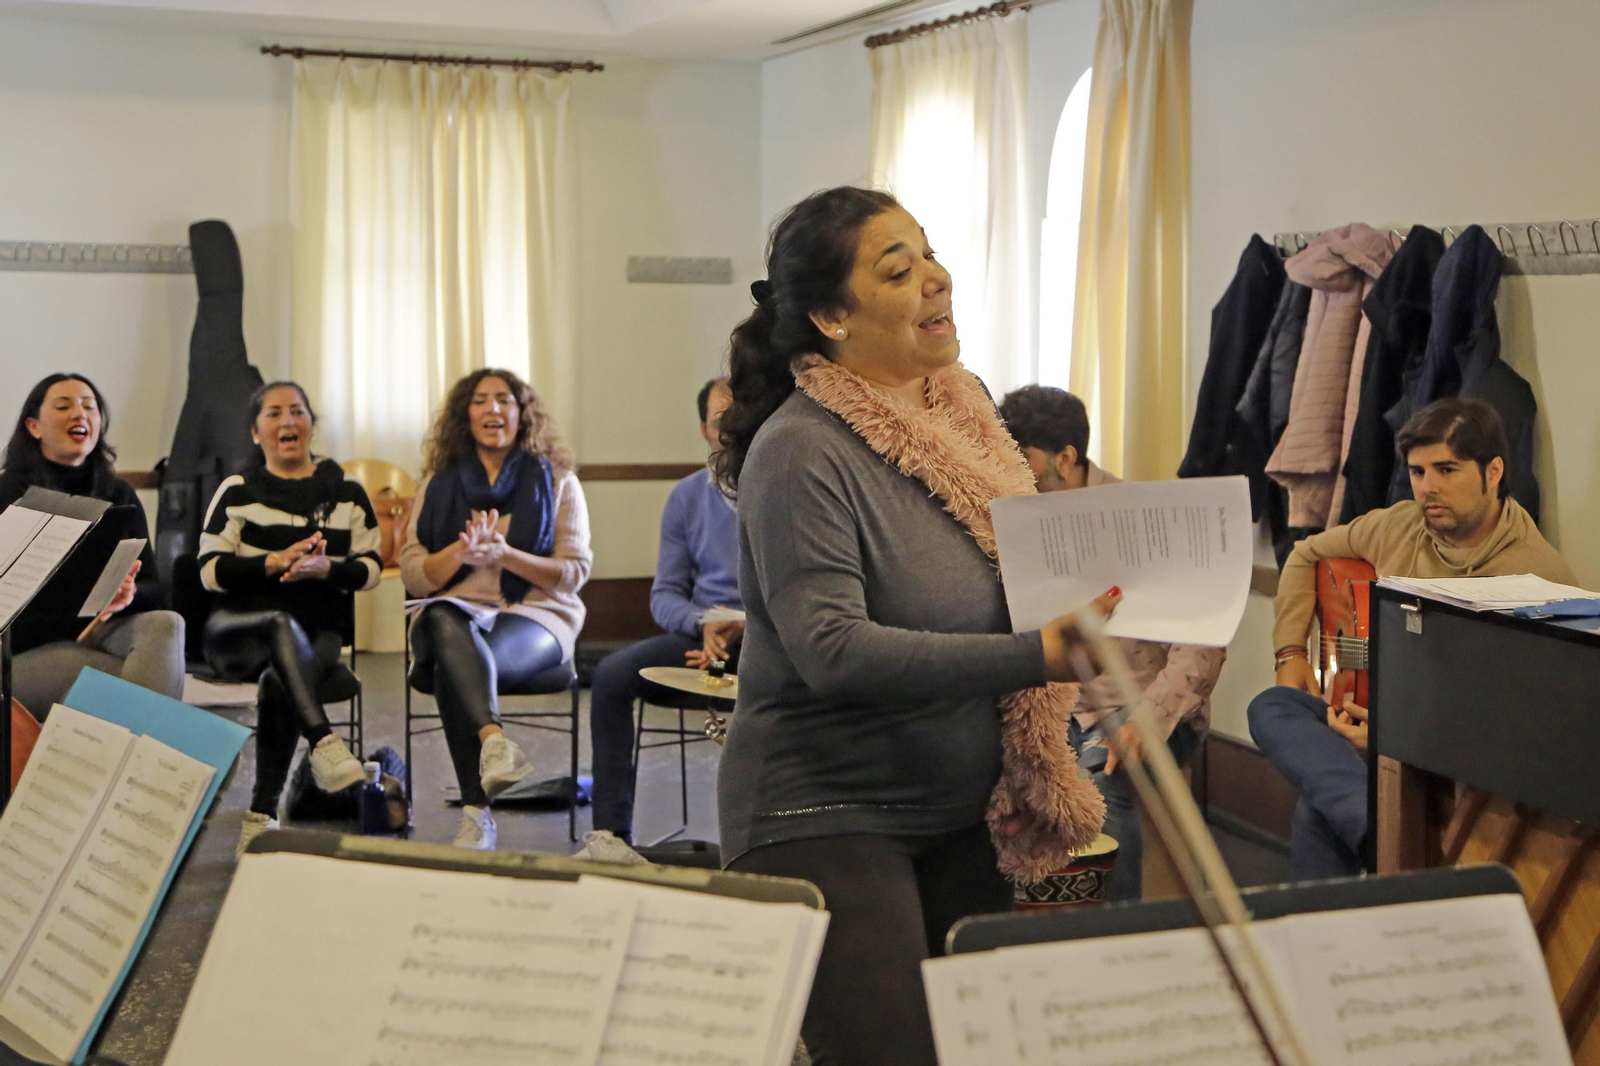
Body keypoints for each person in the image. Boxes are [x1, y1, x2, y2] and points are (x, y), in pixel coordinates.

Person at [715, 186, 1117, 1066]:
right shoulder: (801, 449)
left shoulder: (962, 417)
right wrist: (1038, 653)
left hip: (957, 807)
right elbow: (832, 649)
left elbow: (1001, 582)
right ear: (830, 315)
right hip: (823, 808)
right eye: (898, 270)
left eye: (930, 254)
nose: (935, 279)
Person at [1250, 397, 1575, 880]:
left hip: (1448, 751)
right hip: (1371, 719)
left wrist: (1392, 734)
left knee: (1318, 812)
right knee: (1273, 706)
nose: (1429, 488)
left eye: (1447, 470)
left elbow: (1520, 715)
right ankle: (1372, 826)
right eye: (1419, 472)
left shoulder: (1535, 576)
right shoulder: (1399, 524)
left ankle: (1368, 845)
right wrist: (1291, 653)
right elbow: (1304, 554)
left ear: (1494, 472)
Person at [999, 384, 1225, 901]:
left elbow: (1202, 644)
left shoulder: (1141, 518)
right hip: (1058, 705)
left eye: (1022, 458)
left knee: (1098, 787)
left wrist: (1151, 715)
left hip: (1144, 702)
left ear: (1065, 458)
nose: (1011, 470)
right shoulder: (1017, 518)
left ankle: (1117, 937)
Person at [401, 369, 593, 851]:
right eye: (481, 401)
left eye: (504, 401)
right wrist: (460, 556)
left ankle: (477, 813)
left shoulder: (558, 482)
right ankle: (494, 742)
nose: (493, 410)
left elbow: (572, 573)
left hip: (534, 615)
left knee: (453, 666)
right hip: (453, 613)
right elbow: (413, 573)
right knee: (447, 622)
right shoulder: (437, 485)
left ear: (521, 414)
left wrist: (504, 555)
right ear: (464, 417)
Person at [198, 381, 383, 856]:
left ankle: (261, 816)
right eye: (275, 413)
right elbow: (209, 572)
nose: (288, 422)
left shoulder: (346, 493)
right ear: (256, 432)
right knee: (279, 625)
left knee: (282, 680)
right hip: (239, 630)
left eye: (298, 412)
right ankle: (323, 742)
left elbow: (372, 570)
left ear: (311, 424)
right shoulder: (237, 491)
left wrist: (328, 568)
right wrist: (271, 562)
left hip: (319, 634)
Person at [588, 377, 742, 843]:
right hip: (702, 637)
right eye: (721, 420)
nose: (732, 429)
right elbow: (665, 596)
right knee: (612, 676)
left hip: (772, 639)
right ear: (703, 429)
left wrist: (744, 629)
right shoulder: (686, 497)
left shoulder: (784, 486)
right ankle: (610, 839)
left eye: (741, 416)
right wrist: (706, 625)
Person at [1, 374, 185, 715]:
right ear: (33, 426)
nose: (80, 413)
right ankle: (158, 752)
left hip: (99, 630)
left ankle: (149, 750)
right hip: (20, 651)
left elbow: (156, 589)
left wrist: (125, 593)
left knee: (166, 624)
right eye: (63, 406)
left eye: (90, 406)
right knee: (142, 685)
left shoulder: (119, 494)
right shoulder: (6, 495)